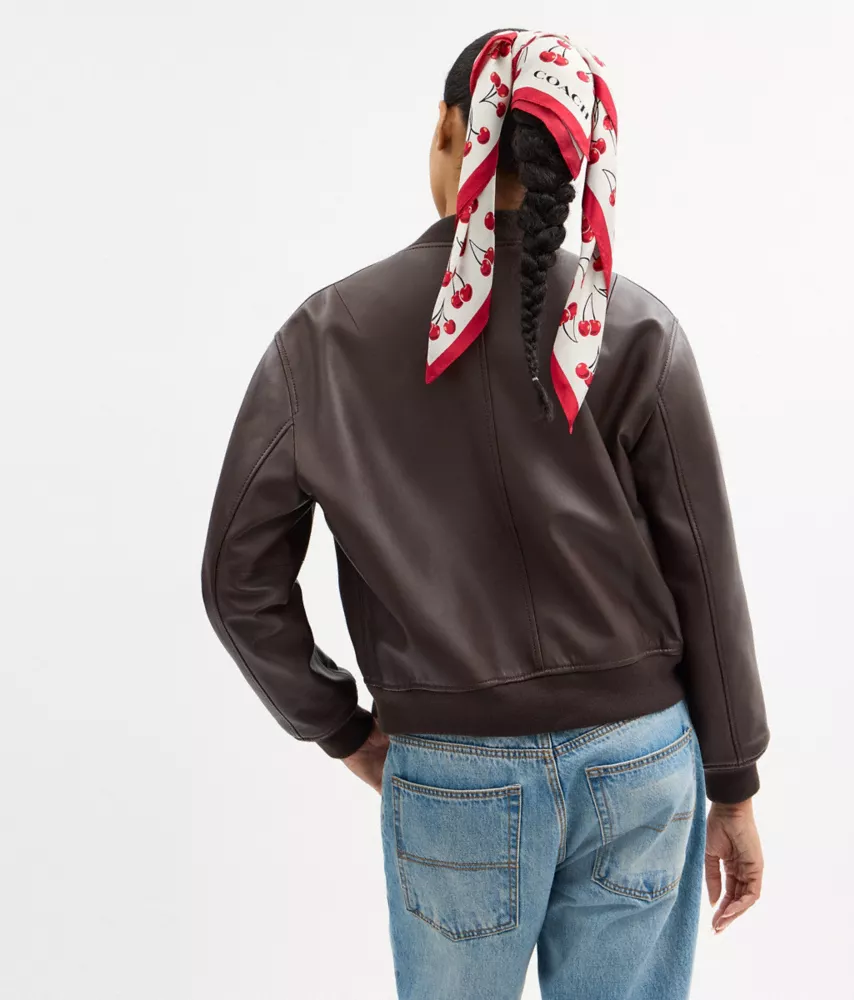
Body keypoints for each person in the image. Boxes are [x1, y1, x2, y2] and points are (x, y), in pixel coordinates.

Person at [201, 27, 769, 1000]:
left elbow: (236, 581)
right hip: (639, 762)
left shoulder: (324, 339)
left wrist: (341, 727)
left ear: (447, 131)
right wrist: (735, 780)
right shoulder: (635, 327)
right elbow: (705, 577)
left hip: (452, 772)